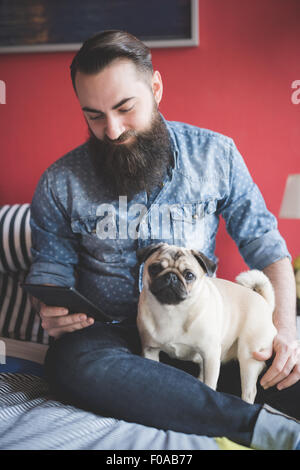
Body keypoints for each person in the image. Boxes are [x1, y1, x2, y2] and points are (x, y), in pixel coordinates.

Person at [26, 30, 300, 449]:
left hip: (205, 330)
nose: (112, 130)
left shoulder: (216, 155)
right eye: (94, 115)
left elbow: (267, 247)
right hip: (112, 341)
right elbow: (50, 273)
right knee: (67, 362)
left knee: (290, 371)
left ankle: (189, 400)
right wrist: (49, 311)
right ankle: (253, 425)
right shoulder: (59, 182)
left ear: (155, 87)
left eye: (124, 108)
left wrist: (283, 331)